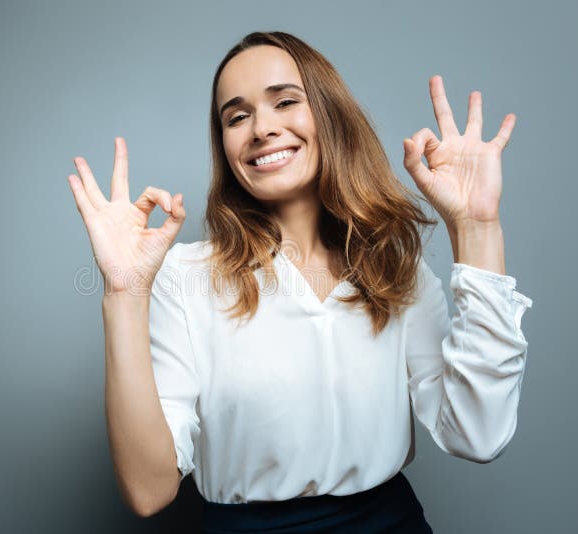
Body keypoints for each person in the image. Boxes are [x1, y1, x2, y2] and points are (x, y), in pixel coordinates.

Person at [67, 31, 533, 533]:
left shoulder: (394, 267)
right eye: (237, 116)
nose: (261, 129)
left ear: (329, 115)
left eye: (285, 101)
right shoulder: (187, 277)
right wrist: (123, 292)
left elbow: (478, 435)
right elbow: (148, 490)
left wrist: (477, 228)